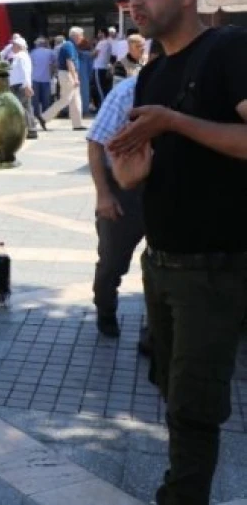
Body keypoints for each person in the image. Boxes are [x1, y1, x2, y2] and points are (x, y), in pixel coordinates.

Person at [107, 0, 247, 505]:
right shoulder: (152, 72)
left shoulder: (228, 49)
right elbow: (163, 164)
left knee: (193, 407)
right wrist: (133, 173)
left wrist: (175, 122)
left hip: (214, 269)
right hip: (161, 263)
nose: (135, 2)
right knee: (173, 395)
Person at [85, 40, 162, 341]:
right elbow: (95, 143)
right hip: (122, 188)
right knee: (112, 263)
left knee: (163, 264)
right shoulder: (127, 92)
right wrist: (104, 195)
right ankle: (105, 310)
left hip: (164, 188)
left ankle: (155, 330)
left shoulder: (186, 91)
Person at [41, 27, 87, 131]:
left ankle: (77, 124)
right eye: (81, 35)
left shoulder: (70, 45)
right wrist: (75, 78)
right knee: (66, 99)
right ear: (75, 36)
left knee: (76, 100)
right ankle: (44, 117)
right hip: (67, 74)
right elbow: (69, 62)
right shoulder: (69, 45)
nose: (82, 38)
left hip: (69, 74)